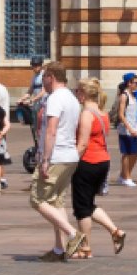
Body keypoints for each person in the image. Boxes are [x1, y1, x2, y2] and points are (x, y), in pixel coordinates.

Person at [28, 64, 82, 260]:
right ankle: (60, 249)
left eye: (44, 78)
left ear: (50, 77)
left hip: (56, 156)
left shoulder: (55, 98)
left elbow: (51, 131)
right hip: (70, 156)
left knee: (37, 200)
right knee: (57, 202)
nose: (42, 82)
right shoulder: (72, 98)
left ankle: (73, 234)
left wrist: (45, 159)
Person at [68, 78, 128, 256]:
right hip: (102, 161)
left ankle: (86, 248)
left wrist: (70, 163)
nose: (76, 93)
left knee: (81, 208)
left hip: (88, 162)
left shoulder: (87, 114)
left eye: (77, 90)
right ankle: (116, 232)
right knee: (88, 203)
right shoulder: (102, 112)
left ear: (84, 93)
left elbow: (83, 144)